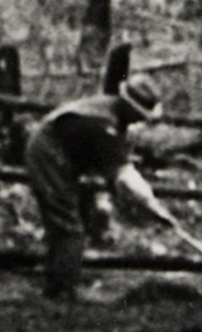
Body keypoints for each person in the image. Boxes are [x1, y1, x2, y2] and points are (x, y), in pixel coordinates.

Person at [22, 77, 180, 298]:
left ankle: (59, 280)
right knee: (68, 226)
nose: (139, 120)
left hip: (65, 156)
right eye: (139, 115)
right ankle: (62, 291)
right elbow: (125, 175)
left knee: (71, 221)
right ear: (129, 106)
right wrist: (153, 206)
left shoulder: (112, 116)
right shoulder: (103, 124)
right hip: (48, 155)